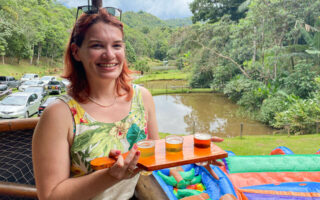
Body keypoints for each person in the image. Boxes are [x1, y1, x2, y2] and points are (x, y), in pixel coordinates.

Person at [32, 8, 224, 200]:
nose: (109, 55)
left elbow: (157, 152)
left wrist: (195, 153)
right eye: (97, 46)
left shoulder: (142, 98)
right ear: (76, 52)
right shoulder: (59, 114)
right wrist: (110, 176)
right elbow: (50, 195)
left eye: (116, 45)